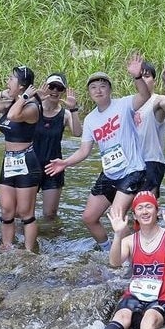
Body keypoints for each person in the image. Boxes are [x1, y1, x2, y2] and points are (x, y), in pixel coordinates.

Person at [44, 54, 152, 249]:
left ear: (110, 89)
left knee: (117, 216)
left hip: (132, 171)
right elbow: (84, 150)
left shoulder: (124, 104)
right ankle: (108, 250)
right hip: (109, 174)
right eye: (93, 87)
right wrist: (65, 162)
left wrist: (137, 77)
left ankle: (130, 260)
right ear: (89, 93)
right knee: (89, 217)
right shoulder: (91, 120)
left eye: (103, 86)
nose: (98, 90)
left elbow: (145, 96)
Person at [95, 192, 165, 329]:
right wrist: (117, 234)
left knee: (149, 317)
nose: (145, 211)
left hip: (163, 300)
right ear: (134, 215)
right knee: (122, 315)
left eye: (149, 207)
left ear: (157, 211)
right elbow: (115, 262)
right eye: (140, 208)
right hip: (135, 296)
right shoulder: (130, 241)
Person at [0, 65, 42, 251]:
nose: (7, 81)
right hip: (9, 162)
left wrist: (25, 97)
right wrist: (2, 93)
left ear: (22, 86)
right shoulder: (10, 104)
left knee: (25, 212)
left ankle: (29, 252)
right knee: (6, 210)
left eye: (11, 79)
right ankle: (7, 246)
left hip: (27, 162)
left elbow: (13, 116)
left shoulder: (32, 108)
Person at [32, 73, 82, 220]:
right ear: (45, 88)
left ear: (63, 91)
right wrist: (35, 100)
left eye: (59, 88)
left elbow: (78, 133)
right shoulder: (34, 108)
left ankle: (51, 241)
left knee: (50, 215)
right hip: (31, 165)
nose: (54, 91)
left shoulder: (65, 114)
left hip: (54, 166)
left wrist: (73, 109)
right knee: (25, 213)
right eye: (51, 86)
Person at [134, 60, 165, 197]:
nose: (143, 79)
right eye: (140, 76)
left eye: (147, 76)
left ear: (154, 81)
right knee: (132, 210)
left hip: (151, 161)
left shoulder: (157, 100)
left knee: (147, 206)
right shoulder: (130, 103)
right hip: (132, 163)